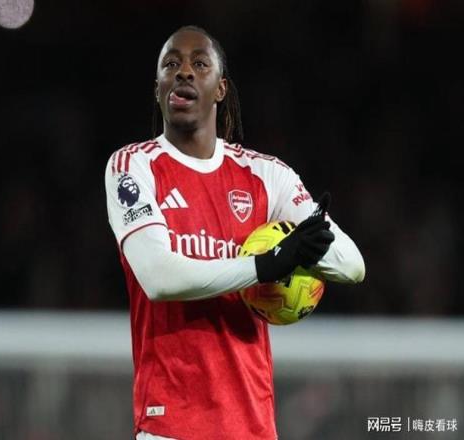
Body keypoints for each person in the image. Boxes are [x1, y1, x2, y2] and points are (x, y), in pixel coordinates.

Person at [105, 25, 365, 440]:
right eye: (170, 64)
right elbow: (158, 277)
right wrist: (267, 264)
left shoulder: (267, 175)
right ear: (158, 89)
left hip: (253, 427)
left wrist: (304, 249)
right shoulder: (132, 166)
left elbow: (352, 265)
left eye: (199, 64)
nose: (183, 72)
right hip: (170, 427)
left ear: (220, 89)